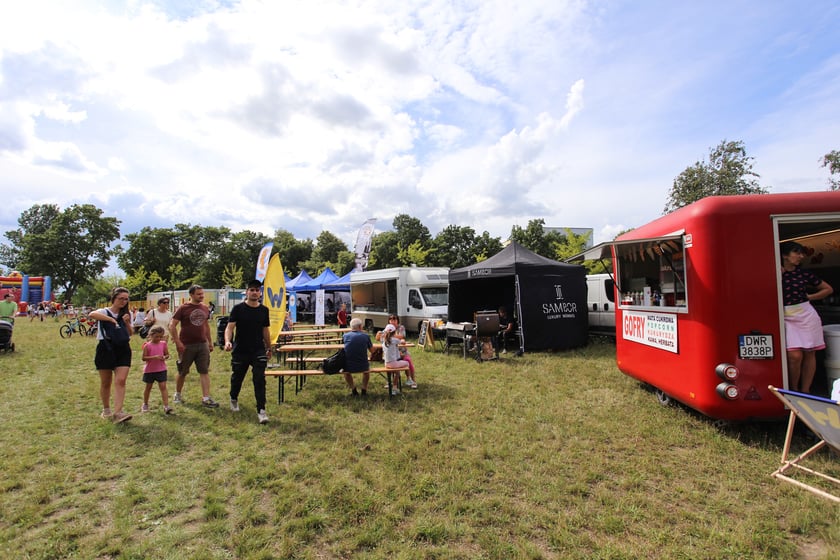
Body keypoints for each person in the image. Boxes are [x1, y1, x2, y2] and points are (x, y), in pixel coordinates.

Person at [781, 241, 833, 394]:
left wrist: (810, 296)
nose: (800, 256)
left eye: (801, 253)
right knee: (794, 355)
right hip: (786, 317)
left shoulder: (804, 274)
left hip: (806, 315)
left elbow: (827, 289)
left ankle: (806, 390)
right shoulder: (777, 272)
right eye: (796, 253)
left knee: (810, 353)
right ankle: (794, 389)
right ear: (785, 255)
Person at [224, 279, 272, 424]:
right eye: (252, 290)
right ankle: (233, 398)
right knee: (237, 377)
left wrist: (269, 347)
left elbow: (265, 330)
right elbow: (230, 327)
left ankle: (261, 411)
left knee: (259, 380)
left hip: (258, 350)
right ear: (246, 292)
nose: (254, 292)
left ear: (260, 293)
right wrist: (228, 341)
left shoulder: (264, 310)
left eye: (257, 290)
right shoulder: (238, 309)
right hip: (241, 350)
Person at [89, 287, 134, 423]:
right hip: (106, 347)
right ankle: (106, 409)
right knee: (106, 382)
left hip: (123, 348)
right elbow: (92, 314)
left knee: (120, 380)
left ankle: (118, 412)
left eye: (126, 299)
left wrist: (126, 322)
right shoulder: (104, 311)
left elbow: (130, 333)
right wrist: (110, 319)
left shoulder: (127, 314)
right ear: (114, 298)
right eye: (121, 298)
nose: (124, 302)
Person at [169, 284, 219, 407]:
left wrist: (210, 342)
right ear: (191, 295)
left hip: (202, 344)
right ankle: (178, 394)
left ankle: (206, 398)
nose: (202, 296)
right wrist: (178, 342)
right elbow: (172, 325)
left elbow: (206, 326)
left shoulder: (204, 308)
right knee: (183, 371)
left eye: (202, 294)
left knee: (204, 370)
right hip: (186, 345)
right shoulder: (183, 308)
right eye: (199, 294)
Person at [376, 314, 416, 388]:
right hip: (393, 354)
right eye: (391, 320)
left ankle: (412, 380)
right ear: (389, 321)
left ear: (397, 321)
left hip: (402, 351)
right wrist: (380, 334)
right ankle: (390, 382)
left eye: (394, 320)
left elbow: (402, 336)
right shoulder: (388, 328)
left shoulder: (400, 327)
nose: (392, 322)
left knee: (408, 360)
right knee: (394, 364)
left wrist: (388, 334)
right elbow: (378, 338)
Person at [141, 326, 173, 414]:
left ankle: (166, 406)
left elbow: (167, 354)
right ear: (151, 335)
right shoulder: (147, 345)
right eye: (156, 337)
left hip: (161, 369)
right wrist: (154, 357)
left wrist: (164, 357)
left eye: (160, 337)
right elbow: (143, 358)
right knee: (148, 387)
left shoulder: (163, 344)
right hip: (150, 370)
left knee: (163, 386)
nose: (158, 338)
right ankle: (145, 404)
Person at [343, 317, 372, 396]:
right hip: (363, 365)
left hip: (348, 366)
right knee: (367, 372)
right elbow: (372, 350)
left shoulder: (345, 336)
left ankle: (353, 389)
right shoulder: (365, 336)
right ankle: (364, 389)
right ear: (360, 327)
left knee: (346, 372)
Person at [381, 324, 412, 396]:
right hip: (393, 363)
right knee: (407, 363)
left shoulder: (384, 341)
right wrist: (403, 340)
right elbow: (402, 342)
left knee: (397, 372)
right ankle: (408, 379)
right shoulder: (394, 340)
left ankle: (394, 389)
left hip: (386, 363)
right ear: (394, 333)